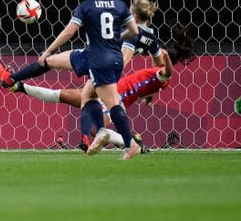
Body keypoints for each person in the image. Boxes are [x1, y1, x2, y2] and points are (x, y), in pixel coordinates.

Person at [11, 24, 196, 153]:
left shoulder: (164, 75)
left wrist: (165, 59)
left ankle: (131, 143)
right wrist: (149, 97)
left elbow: (164, 71)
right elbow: (149, 85)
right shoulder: (156, 76)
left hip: (115, 94)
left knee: (93, 127)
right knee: (68, 96)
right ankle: (20, 86)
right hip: (112, 89)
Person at [37, 0, 139, 160]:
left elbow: (69, 32)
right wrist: (117, 38)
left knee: (111, 103)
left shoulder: (86, 6)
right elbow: (134, 31)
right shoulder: (120, 5)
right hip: (116, 58)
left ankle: (130, 144)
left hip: (99, 60)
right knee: (87, 95)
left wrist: (48, 51)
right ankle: (101, 131)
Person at [0, 0, 164, 89]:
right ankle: (12, 79)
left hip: (96, 60)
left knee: (48, 61)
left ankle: (12, 80)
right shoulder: (151, 37)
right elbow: (159, 66)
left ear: (134, 15)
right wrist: (152, 89)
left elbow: (124, 57)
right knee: (91, 103)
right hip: (102, 62)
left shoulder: (132, 34)